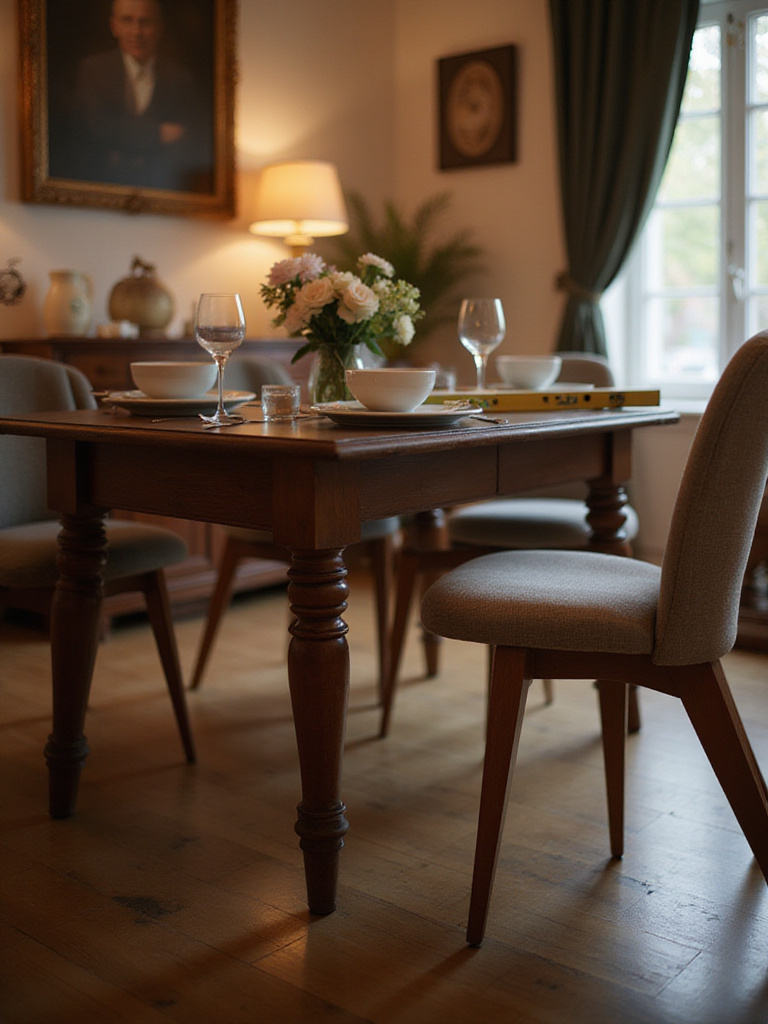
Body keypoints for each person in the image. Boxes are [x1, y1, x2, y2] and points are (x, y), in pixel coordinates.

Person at [69, 0, 212, 192]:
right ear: (114, 26)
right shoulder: (93, 71)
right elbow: (98, 128)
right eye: (127, 20)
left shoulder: (180, 79)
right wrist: (159, 133)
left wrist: (123, 135)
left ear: (160, 28)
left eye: (145, 22)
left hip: (162, 191)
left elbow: (188, 140)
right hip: (103, 187)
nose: (136, 32)